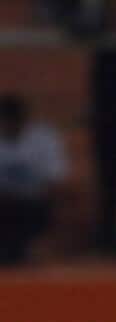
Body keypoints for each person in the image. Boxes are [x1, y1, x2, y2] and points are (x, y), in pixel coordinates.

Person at [0, 94, 67, 265]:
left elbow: (55, 180)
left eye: (13, 120)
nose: (10, 125)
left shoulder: (44, 138)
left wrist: (32, 195)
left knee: (26, 209)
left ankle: (25, 250)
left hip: (34, 203)